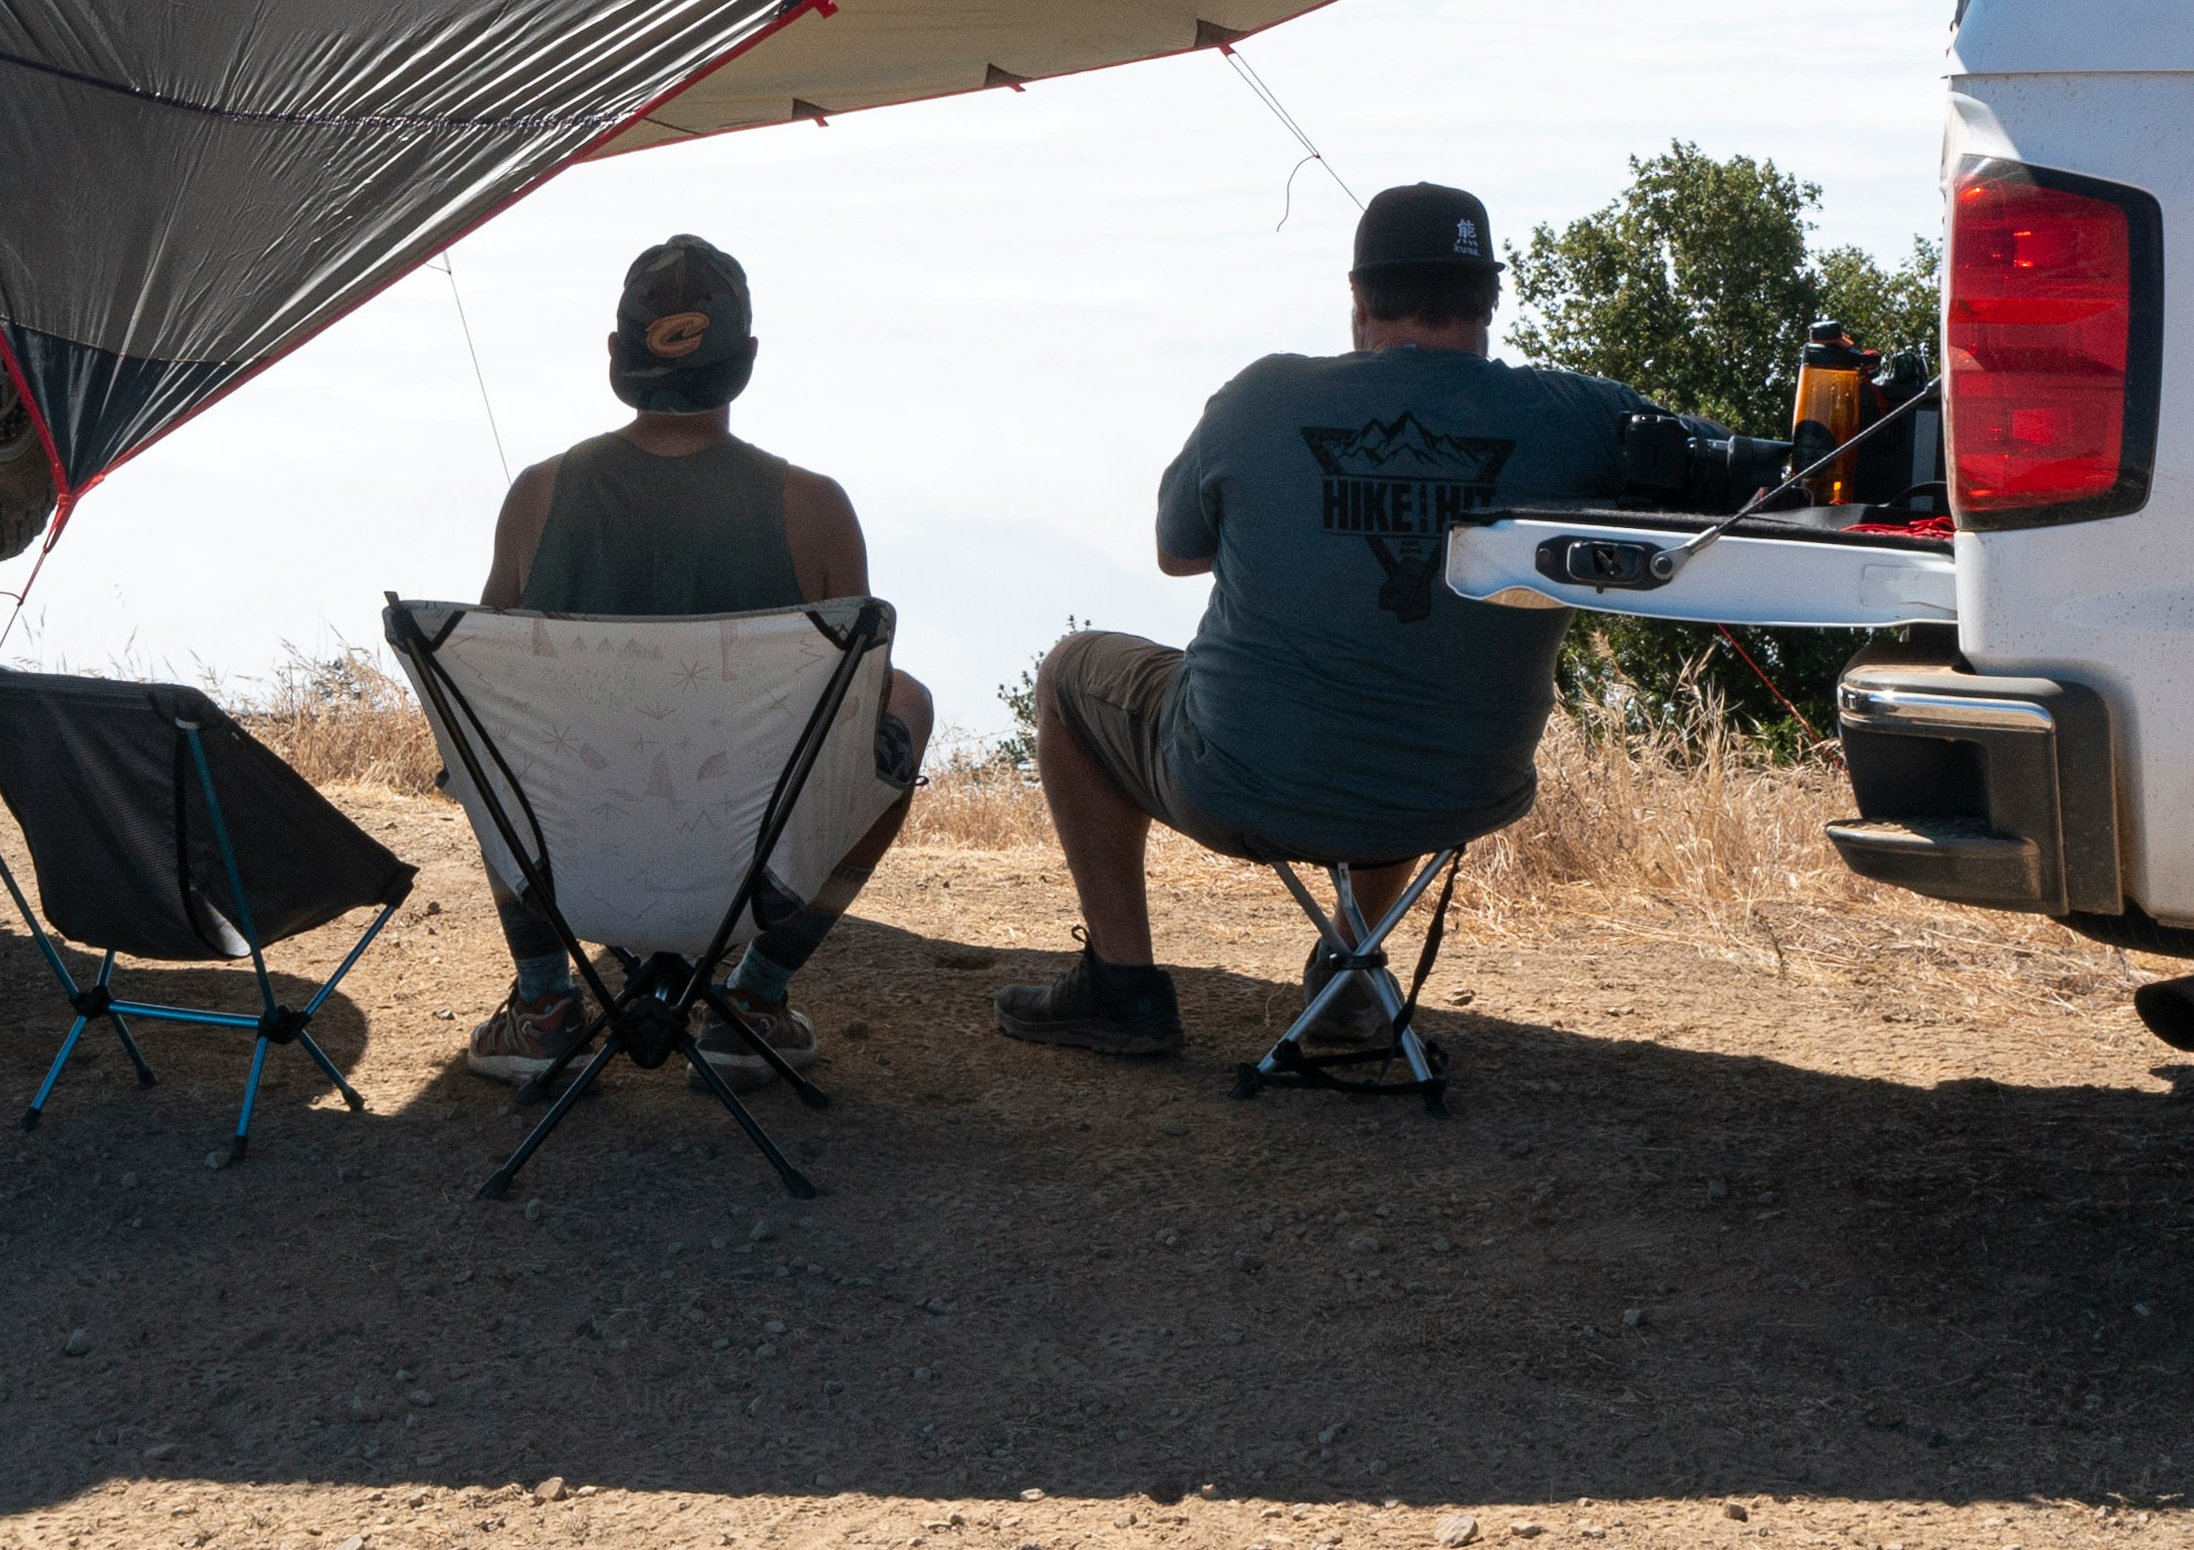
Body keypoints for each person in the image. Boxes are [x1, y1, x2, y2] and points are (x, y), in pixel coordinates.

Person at [999, 180, 1663, 1059]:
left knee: (1070, 670)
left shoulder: (1259, 398)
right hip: (1457, 784)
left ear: (1358, 300)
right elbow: (1747, 474)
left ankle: (1123, 986)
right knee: (1402, 675)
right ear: (1491, 300)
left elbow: (1178, 550)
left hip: (1241, 781)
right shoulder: (1588, 416)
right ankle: (1350, 972)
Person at [463, 235, 935, 1081]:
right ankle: (753, 998)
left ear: (617, 355)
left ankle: (543, 1002)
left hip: (573, 860)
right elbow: (852, 722)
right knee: (908, 700)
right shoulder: (815, 510)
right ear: (746, 360)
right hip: (747, 867)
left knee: (481, 725)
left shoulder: (536, 496)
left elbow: (486, 709)